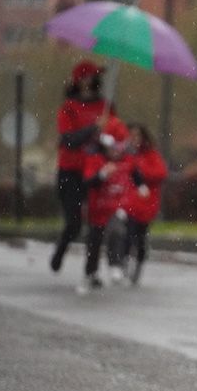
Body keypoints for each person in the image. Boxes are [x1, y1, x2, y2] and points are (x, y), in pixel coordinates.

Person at [51, 60, 114, 273]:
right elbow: (68, 140)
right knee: (74, 222)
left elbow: (113, 136)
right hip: (70, 171)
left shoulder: (105, 107)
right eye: (86, 77)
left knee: (97, 223)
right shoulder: (68, 108)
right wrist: (93, 128)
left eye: (93, 76)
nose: (90, 81)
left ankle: (91, 269)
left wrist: (107, 138)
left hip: (95, 171)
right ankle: (61, 249)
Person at [79, 117, 129, 295]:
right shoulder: (95, 160)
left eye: (119, 149)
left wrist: (141, 187)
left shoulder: (126, 162)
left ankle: (115, 264)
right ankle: (91, 273)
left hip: (116, 208)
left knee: (117, 232)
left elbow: (136, 176)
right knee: (94, 243)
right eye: (113, 148)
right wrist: (101, 175)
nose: (116, 153)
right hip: (96, 210)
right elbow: (87, 182)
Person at [120, 123, 167, 285]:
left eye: (137, 136)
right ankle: (124, 264)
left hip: (145, 205)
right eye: (131, 136)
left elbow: (160, 173)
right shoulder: (124, 154)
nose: (134, 140)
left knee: (139, 237)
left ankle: (137, 264)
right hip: (128, 204)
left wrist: (141, 172)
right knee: (127, 235)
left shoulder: (150, 155)